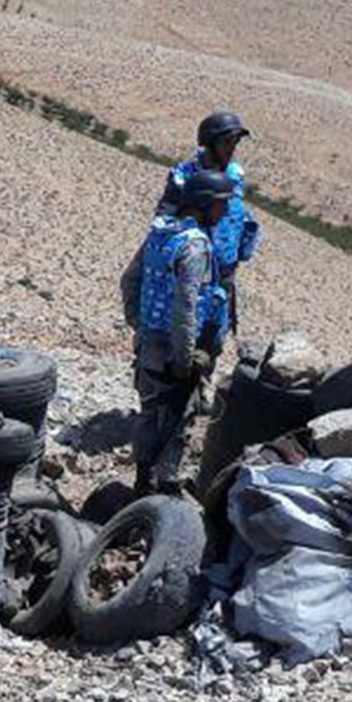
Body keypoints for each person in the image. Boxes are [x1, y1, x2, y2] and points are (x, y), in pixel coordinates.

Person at [121, 167, 237, 495]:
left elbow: (129, 280)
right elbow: (186, 306)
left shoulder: (161, 233)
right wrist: (184, 359)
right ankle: (161, 497)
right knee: (175, 425)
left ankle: (141, 484)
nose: (225, 211)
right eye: (220, 204)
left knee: (149, 415)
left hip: (149, 346)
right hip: (176, 351)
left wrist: (141, 325)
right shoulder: (195, 246)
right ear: (203, 204)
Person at [161, 110, 262, 327]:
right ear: (210, 143)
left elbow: (237, 217)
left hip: (225, 267)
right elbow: (165, 220)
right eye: (227, 142)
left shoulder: (235, 175)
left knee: (213, 333)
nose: (232, 149)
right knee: (185, 329)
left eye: (235, 143)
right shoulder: (184, 176)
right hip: (193, 265)